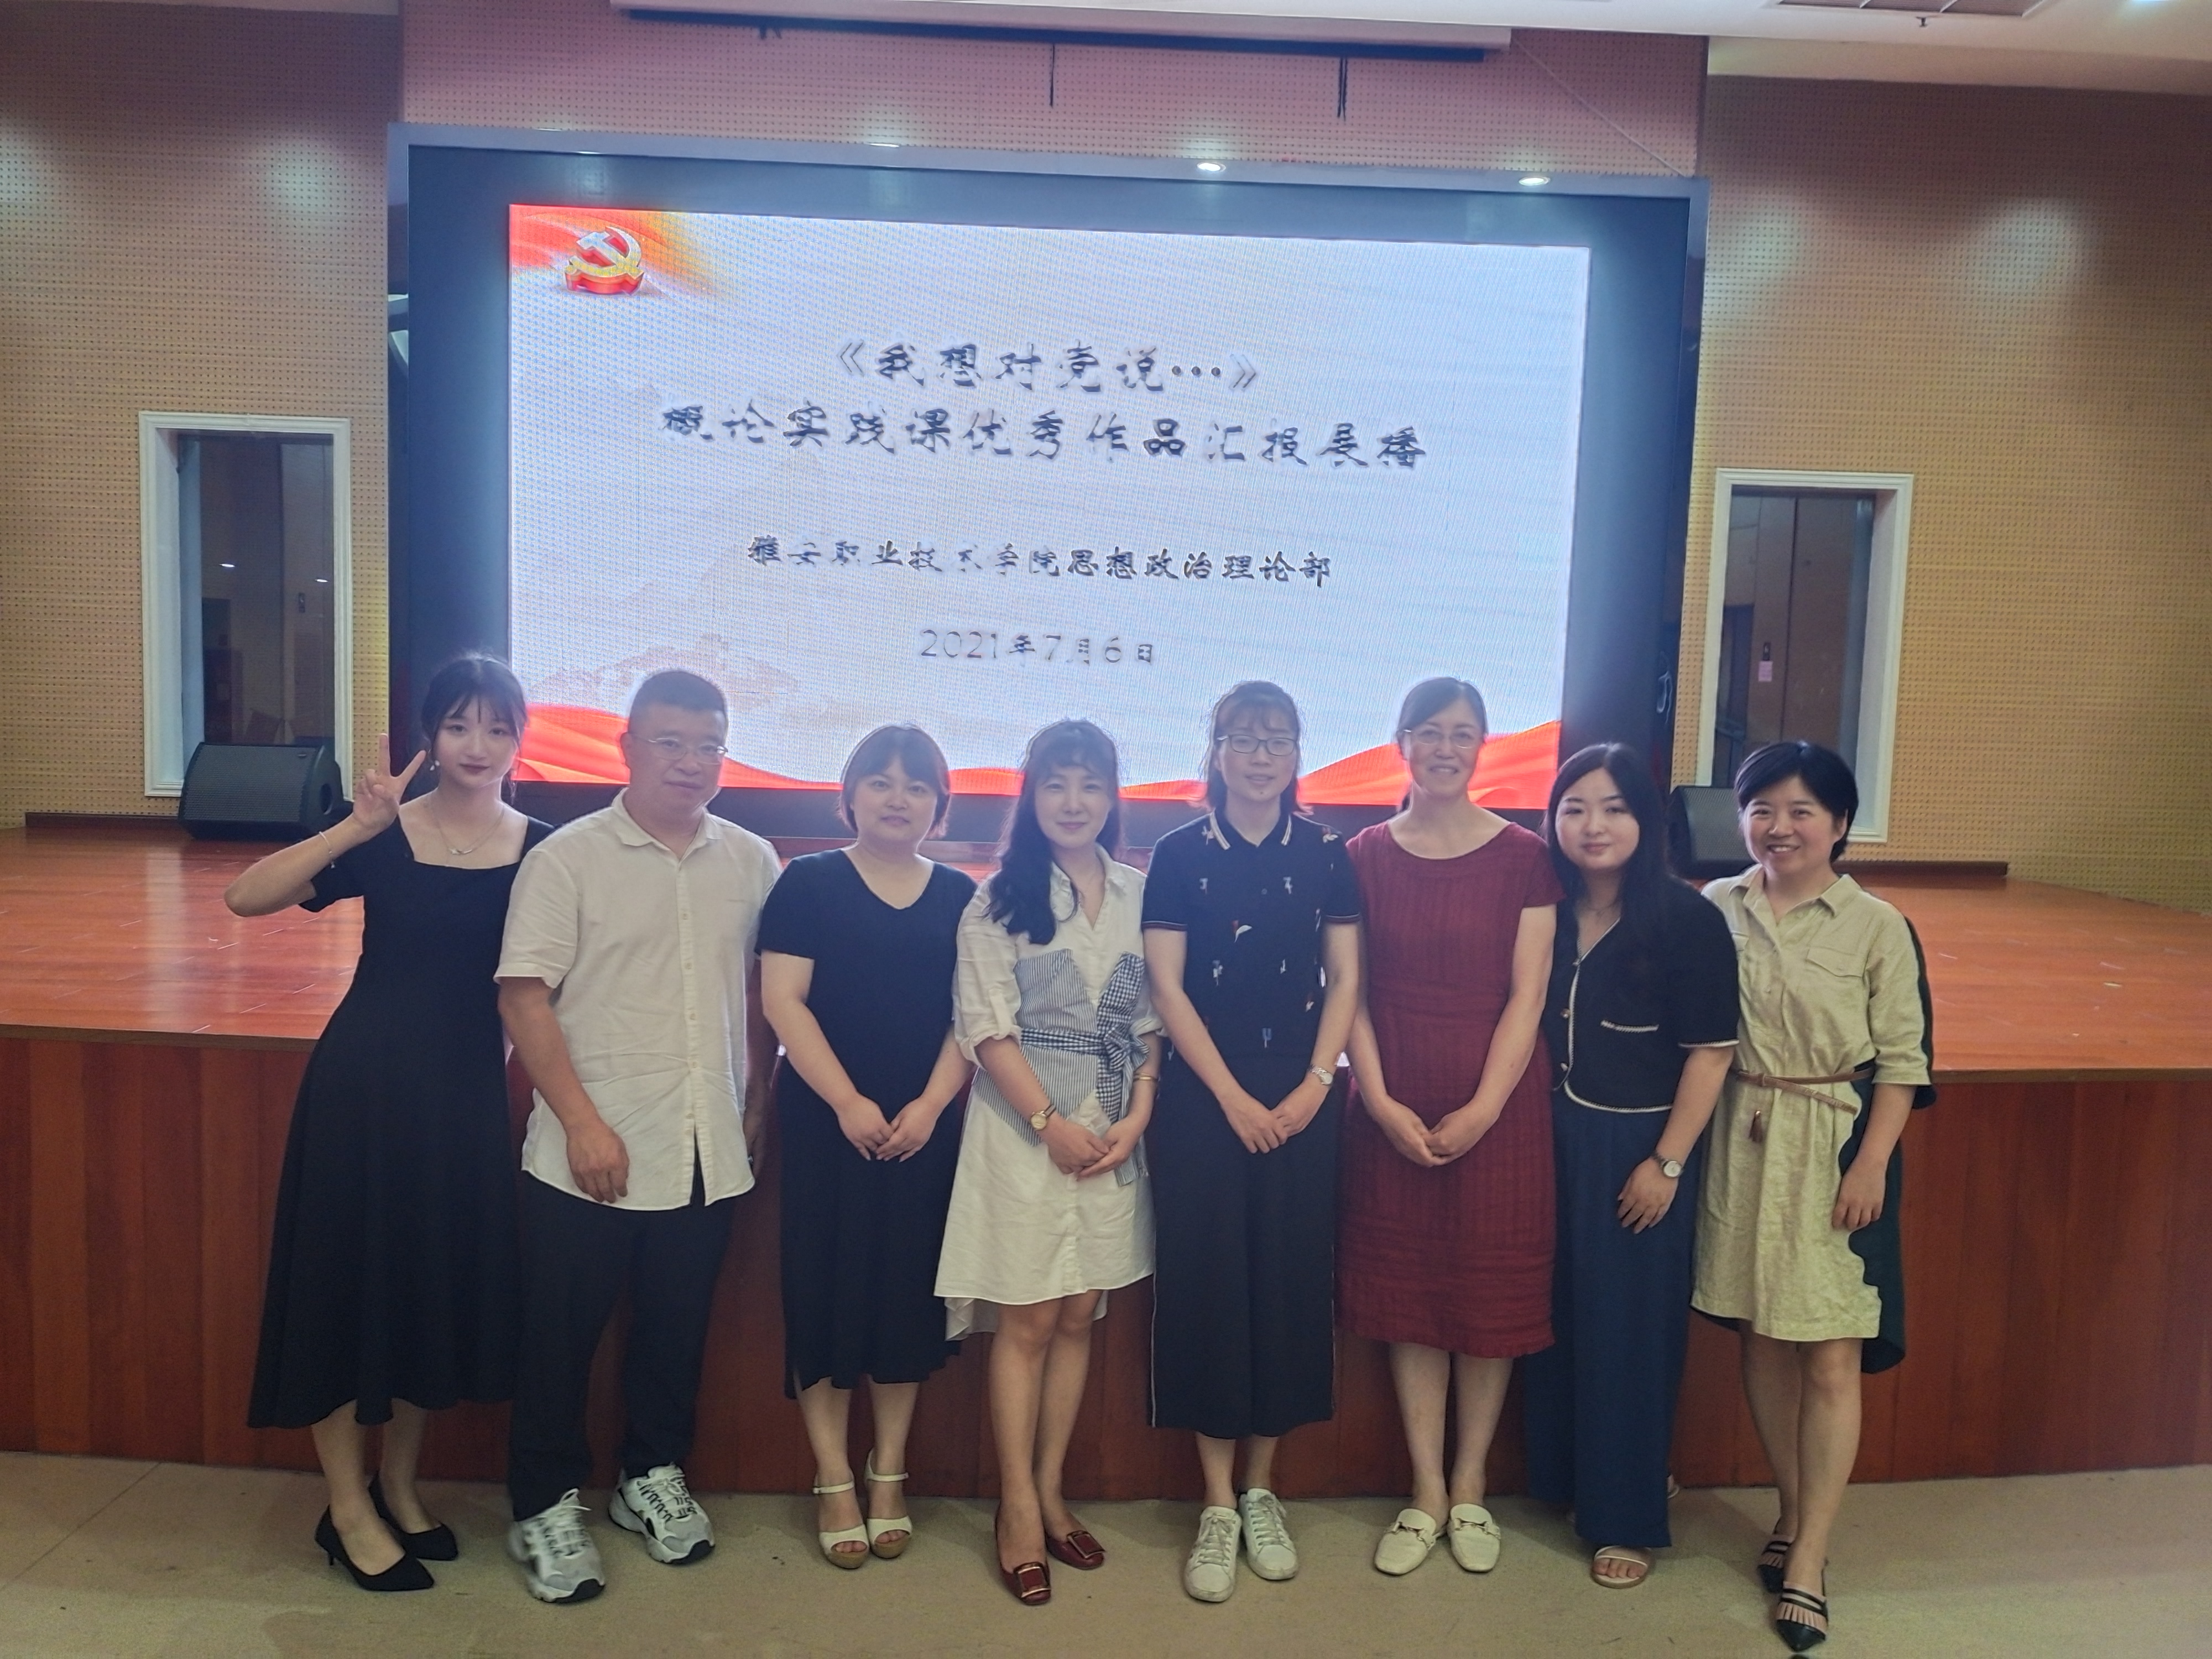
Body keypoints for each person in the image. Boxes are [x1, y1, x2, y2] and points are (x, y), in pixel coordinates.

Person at [232, 654, 546, 1593]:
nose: (478, 745)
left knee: (426, 1291)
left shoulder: (542, 848)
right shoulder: (386, 830)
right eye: (458, 725)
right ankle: (346, 1508)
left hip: (462, 1099)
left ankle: (401, 1485)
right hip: (361, 1089)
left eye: (497, 727)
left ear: (519, 740)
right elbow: (246, 897)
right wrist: (354, 827)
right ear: (429, 736)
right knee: (342, 1287)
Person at [494, 670, 781, 1605]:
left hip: (705, 1144)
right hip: (589, 1151)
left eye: (710, 745)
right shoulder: (569, 857)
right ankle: (544, 1505)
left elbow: (765, 997)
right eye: (671, 743)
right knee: (558, 1343)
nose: (692, 763)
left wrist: (757, 1101)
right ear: (628, 749)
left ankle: (649, 1476)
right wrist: (582, 1122)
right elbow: (524, 996)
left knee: (674, 1334)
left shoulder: (752, 860)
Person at [1693, 739, 1935, 1653]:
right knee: (1762, 1334)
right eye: (1762, 809)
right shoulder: (1718, 906)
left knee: (1831, 1353)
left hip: (1836, 1149)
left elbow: (1904, 1063)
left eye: (1802, 811)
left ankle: (1808, 1560)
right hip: (1742, 1139)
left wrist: (1870, 1164)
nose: (1779, 827)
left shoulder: (1877, 926)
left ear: (1840, 824)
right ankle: (1793, 1510)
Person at [1141, 682, 1362, 1604]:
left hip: (1303, 1099)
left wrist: (1316, 1084)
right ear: (1217, 748)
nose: (1262, 755)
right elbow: (1167, 987)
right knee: (1209, 1284)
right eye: (1244, 738)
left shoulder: (1328, 852)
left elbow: (1345, 976)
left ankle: (1262, 1489)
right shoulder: (1177, 853)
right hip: (1204, 1101)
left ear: (1297, 752)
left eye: (1278, 739)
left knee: (1286, 1282)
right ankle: (1216, 1502)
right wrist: (1230, 1096)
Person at [935, 719, 1162, 1606]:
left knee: (1077, 1316)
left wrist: (1138, 1116)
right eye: (1056, 784)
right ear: (1030, 795)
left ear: (1112, 798)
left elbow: (1150, 1023)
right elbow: (985, 1028)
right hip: (1024, 1132)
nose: (1074, 802)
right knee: (1026, 1321)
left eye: (1091, 785)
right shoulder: (997, 901)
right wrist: (1048, 1122)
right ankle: (1018, 1508)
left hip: (1113, 1131)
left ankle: (1055, 1487)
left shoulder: (1142, 893)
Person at [1339, 676, 1561, 1579]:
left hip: (1499, 1111)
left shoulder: (1525, 857)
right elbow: (1348, 992)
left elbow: (1528, 997)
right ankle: (1425, 1487)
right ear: (1401, 742)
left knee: (1488, 1298)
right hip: (1389, 1101)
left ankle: (1471, 1484)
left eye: (1462, 733)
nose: (1444, 747)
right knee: (1412, 1299)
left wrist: (1482, 1109)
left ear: (1481, 746)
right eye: (1429, 732)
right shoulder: (1361, 855)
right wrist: (1379, 1100)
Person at [758, 725, 976, 1571]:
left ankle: (889, 1472)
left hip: (926, 1126)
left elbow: (973, 1015)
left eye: (917, 787)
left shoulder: (961, 895)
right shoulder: (808, 882)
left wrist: (930, 1105)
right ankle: (831, 1476)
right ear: (848, 795)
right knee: (823, 1292)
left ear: (938, 807)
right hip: (827, 1121)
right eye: (880, 782)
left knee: (904, 1302)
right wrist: (847, 1101)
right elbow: (784, 1001)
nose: (897, 798)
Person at [1522, 744, 1739, 1589]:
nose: (1593, 826)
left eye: (1614, 808)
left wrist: (1667, 1164)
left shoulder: (1686, 919)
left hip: (1640, 1149)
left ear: (1646, 820)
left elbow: (1712, 1054)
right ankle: (1572, 1479)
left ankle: (1627, 1516)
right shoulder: (1546, 910)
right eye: (1574, 808)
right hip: (1552, 1138)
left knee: (1631, 1335)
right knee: (1559, 1319)